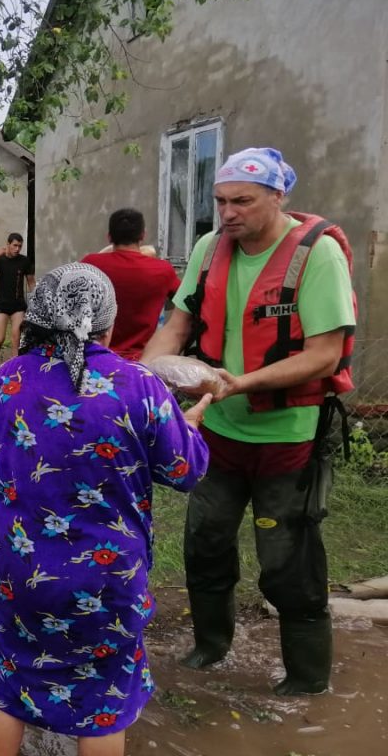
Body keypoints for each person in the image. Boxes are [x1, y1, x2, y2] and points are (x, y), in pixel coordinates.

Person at [0, 263, 211, 756]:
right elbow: (186, 470)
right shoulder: (139, 385)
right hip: (108, 582)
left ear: (37, 317)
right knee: (102, 701)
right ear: (108, 323)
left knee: (9, 683)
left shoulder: (7, 382)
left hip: (22, 578)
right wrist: (189, 426)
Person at [141, 147, 356, 695]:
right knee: (205, 543)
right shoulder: (210, 248)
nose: (228, 212)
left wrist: (240, 382)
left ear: (278, 198)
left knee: (287, 561)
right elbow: (177, 323)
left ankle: (307, 681)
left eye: (242, 201)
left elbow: (325, 354)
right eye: (220, 201)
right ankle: (210, 648)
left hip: (288, 437)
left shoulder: (317, 256)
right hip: (218, 436)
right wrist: (144, 375)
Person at [82, 209, 180, 360]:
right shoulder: (162, 270)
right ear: (142, 235)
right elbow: (183, 304)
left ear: (109, 236)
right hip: (144, 361)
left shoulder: (91, 264)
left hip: (96, 358)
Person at [0, 232, 35, 373]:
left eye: (20, 246)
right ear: (8, 245)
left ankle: (14, 366)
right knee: (0, 338)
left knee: (16, 336)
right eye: (15, 245)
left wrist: (36, 299)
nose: (17, 249)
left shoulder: (24, 261)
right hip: (1, 305)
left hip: (18, 306)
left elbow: (31, 282)